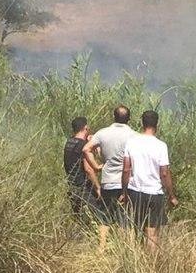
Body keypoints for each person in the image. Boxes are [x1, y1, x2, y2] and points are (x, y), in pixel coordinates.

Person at [120, 109, 178, 249]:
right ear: (157, 125)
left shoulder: (131, 142)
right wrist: (171, 195)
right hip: (154, 192)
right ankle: (151, 265)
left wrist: (124, 192)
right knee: (152, 233)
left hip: (136, 191)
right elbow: (164, 173)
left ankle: (138, 261)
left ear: (141, 123)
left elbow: (126, 169)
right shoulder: (160, 146)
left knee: (137, 229)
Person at [83, 105, 135, 247]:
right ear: (129, 119)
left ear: (114, 117)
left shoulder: (103, 133)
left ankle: (102, 247)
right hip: (127, 183)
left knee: (105, 216)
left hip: (108, 181)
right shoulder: (134, 135)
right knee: (125, 217)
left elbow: (86, 149)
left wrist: (95, 166)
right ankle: (125, 247)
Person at [63, 116, 100, 222]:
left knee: (79, 219)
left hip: (72, 186)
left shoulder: (69, 142)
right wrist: (97, 188)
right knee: (99, 215)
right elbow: (88, 169)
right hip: (83, 187)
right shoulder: (82, 145)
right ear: (86, 128)